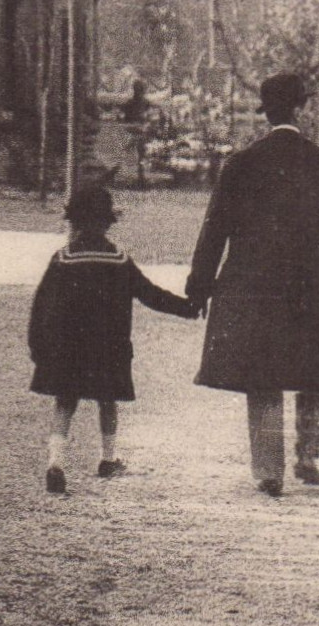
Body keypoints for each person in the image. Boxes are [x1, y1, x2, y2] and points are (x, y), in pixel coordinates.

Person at [186, 73, 319, 498]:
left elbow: (213, 231)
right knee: (314, 365)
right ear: (300, 109)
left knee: (262, 373)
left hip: (254, 285)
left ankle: (268, 470)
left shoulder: (239, 165)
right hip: (318, 284)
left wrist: (199, 286)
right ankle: (308, 453)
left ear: (267, 113)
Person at [28, 188, 198, 495]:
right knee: (107, 402)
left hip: (69, 349)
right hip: (109, 349)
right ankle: (108, 459)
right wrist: (187, 307)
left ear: (74, 222)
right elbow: (150, 294)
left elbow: (41, 306)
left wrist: (38, 347)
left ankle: (56, 463)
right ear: (108, 223)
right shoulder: (119, 260)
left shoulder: (63, 259)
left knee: (65, 403)